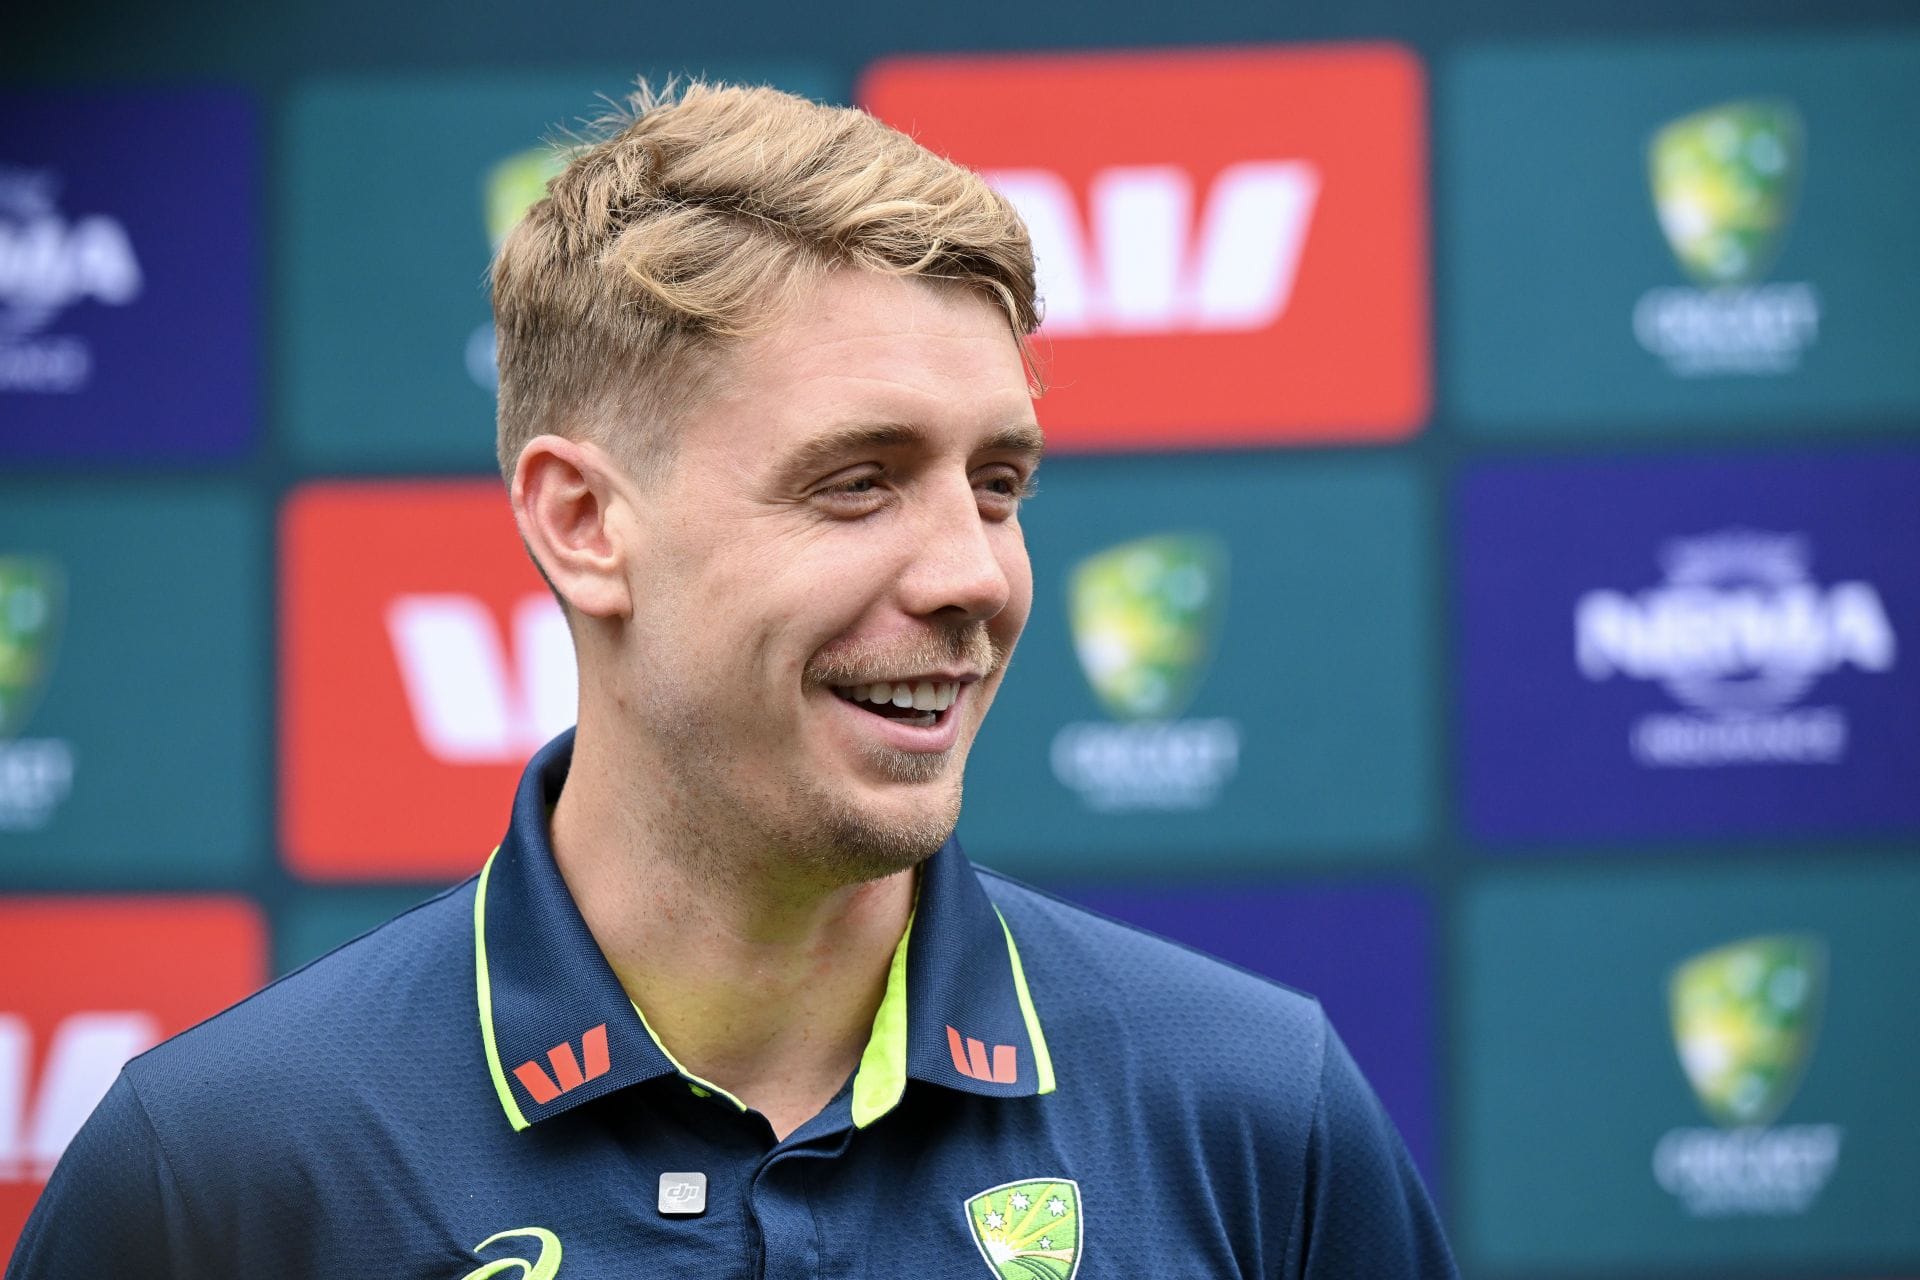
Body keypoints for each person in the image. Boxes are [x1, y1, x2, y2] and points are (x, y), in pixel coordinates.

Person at [8, 81, 1456, 1278]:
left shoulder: (1259, 1116)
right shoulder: (218, 1171)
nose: (974, 576)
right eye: (857, 481)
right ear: (586, 523)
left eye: (998, 485)